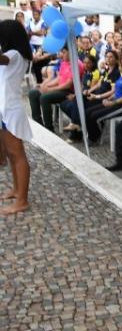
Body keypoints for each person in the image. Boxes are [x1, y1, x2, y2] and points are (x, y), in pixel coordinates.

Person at [0, 20, 33, 215]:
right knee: (11, 155)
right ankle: (16, 190)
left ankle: (22, 200)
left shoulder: (15, 55)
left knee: (17, 154)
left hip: (11, 110)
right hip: (5, 109)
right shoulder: (13, 55)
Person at [85, 49, 122, 142]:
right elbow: (116, 91)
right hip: (115, 102)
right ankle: (95, 135)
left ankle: (94, 138)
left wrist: (113, 103)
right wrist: (109, 99)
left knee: (94, 115)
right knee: (88, 112)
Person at [28, 46, 82, 133]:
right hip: (60, 88)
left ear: (71, 52)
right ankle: (38, 123)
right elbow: (59, 78)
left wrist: (51, 89)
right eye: (61, 52)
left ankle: (49, 128)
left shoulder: (76, 64)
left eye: (63, 52)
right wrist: (45, 85)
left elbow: (68, 84)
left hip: (69, 91)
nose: (61, 54)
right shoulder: (64, 62)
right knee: (33, 93)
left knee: (44, 97)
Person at [62, 55, 100, 132]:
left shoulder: (95, 73)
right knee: (64, 104)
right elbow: (82, 86)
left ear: (93, 63)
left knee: (73, 105)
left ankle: (75, 124)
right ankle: (78, 124)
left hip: (90, 96)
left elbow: (91, 89)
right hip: (82, 95)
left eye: (88, 63)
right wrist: (75, 94)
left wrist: (78, 95)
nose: (86, 65)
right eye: (85, 63)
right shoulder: (85, 72)